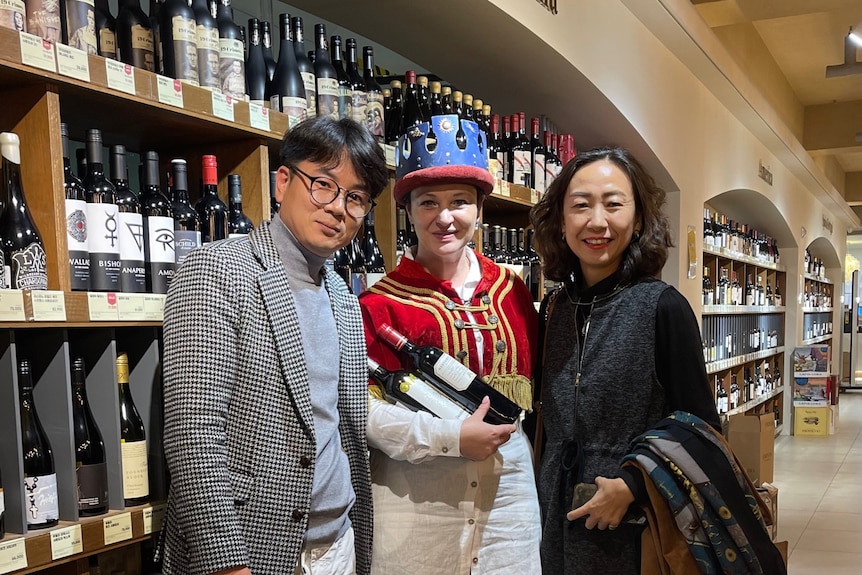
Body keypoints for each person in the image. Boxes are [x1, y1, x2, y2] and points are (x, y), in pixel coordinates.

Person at [159, 116, 389, 575]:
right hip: (250, 552)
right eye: (323, 184)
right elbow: (193, 431)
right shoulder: (219, 270)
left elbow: (339, 428)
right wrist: (226, 565)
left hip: (338, 546)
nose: (338, 208)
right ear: (283, 182)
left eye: (356, 197)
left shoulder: (343, 297)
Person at [359, 114, 542, 574]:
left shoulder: (511, 291)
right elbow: (367, 417)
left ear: (480, 209)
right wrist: (449, 438)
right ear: (408, 210)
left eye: (460, 201)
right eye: (428, 202)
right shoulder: (378, 305)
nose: (445, 217)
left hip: (508, 495)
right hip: (418, 497)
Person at [530, 147, 721, 574]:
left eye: (614, 204)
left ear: (637, 221)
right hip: (553, 519)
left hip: (635, 524)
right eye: (580, 206)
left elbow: (703, 429)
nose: (597, 221)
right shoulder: (554, 309)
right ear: (561, 221)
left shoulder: (662, 307)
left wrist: (634, 484)